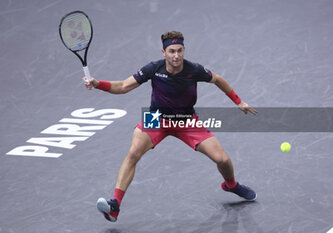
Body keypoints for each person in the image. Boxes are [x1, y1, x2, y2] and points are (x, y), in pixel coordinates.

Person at [84, 31, 258, 222]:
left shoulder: (194, 70)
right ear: (163, 52)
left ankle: (231, 185)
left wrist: (238, 101)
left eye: (179, 51)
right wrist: (97, 83)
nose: (176, 56)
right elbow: (124, 86)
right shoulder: (153, 68)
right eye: (171, 51)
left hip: (186, 120)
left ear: (184, 50)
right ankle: (114, 205)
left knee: (223, 160)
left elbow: (217, 79)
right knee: (133, 152)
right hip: (156, 118)